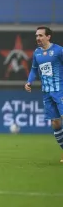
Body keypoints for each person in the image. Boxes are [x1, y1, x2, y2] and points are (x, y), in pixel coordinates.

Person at [25, 26, 63, 163]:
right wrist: (29, 82)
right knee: (55, 122)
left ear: (48, 37)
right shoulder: (37, 53)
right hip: (47, 93)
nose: (38, 38)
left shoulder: (59, 51)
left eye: (41, 35)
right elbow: (34, 70)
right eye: (36, 36)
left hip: (60, 90)